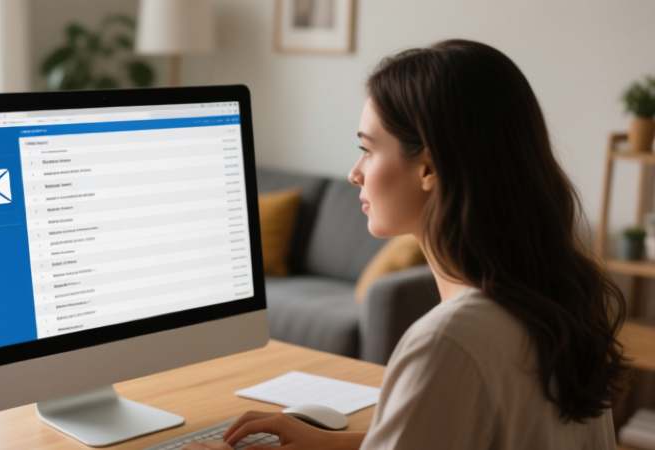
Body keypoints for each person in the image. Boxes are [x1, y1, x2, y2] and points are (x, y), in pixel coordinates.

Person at [185, 39, 628, 450]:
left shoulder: (450, 341)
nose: (354, 173)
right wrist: (333, 442)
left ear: (429, 168)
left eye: (368, 149)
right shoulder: (558, 303)